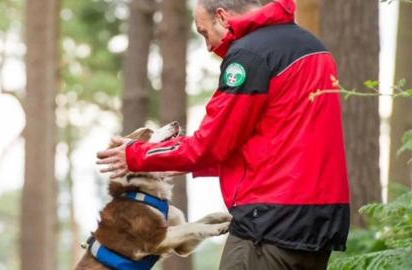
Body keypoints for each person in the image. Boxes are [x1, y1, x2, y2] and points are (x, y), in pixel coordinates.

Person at [97, 0, 350, 269]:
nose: (208, 46)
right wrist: (173, 162)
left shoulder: (251, 54)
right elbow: (278, 141)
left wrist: (138, 154)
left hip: (268, 220)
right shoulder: (313, 48)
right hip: (322, 218)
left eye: (204, 32)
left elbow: (211, 143)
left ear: (222, 16)